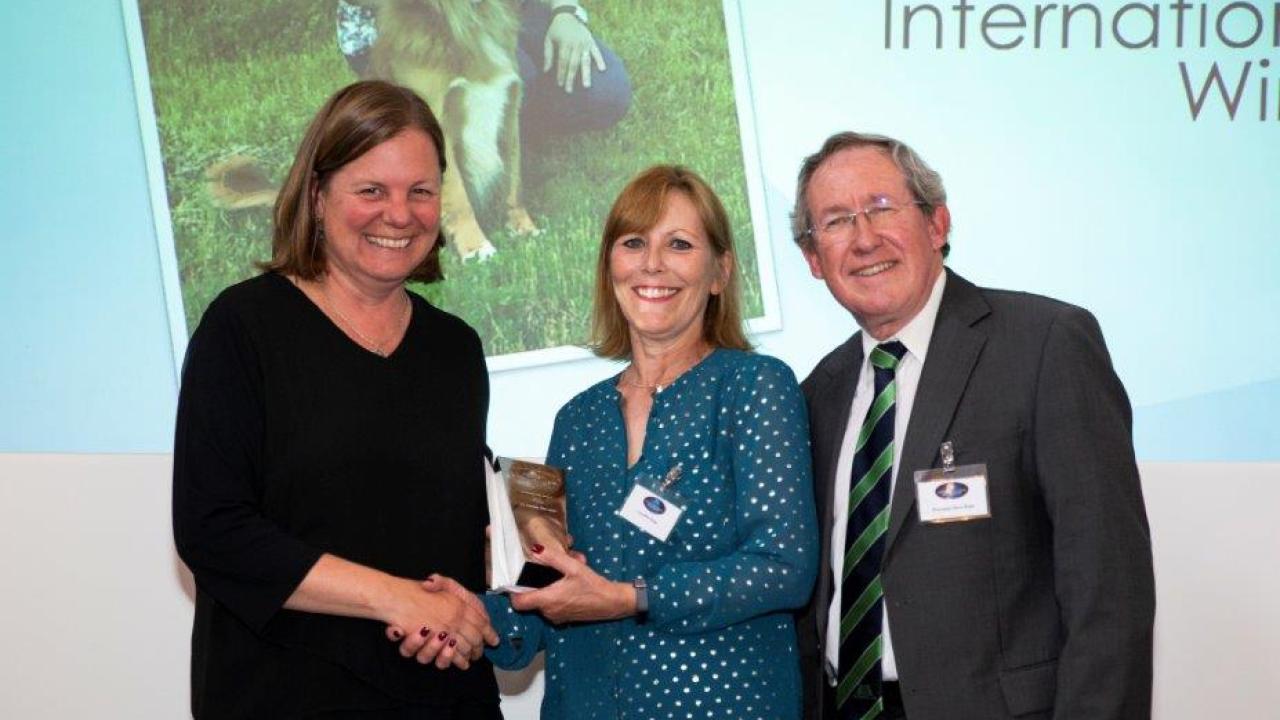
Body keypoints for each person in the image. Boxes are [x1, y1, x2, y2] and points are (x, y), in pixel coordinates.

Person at [790, 132, 1156, 719]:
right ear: (813, 260)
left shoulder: (1045, 345)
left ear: (937, 224)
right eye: (835, 222)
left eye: (882, 208)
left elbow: (1109, 590)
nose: (863, 239)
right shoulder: (818, 392)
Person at [172, 80, 502, 718]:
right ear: (318, 197)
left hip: (439, 696)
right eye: (371, 190)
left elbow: (450, 523)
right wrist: (394, 598)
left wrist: (471, 602)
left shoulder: (454, 348)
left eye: (422, 191)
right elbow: (213, 531)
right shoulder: (243, 328)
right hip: (282, 694)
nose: (400, 214)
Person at [478, 166, 818, 718]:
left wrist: (630, 597)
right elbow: (542, 608)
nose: (652, 264)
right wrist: (470, 612)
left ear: (719, 273)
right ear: (610, 266)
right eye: (633, 242)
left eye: (679, 244)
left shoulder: (755, 386)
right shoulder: (577, 419)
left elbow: (783, 568)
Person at [337, 0, 631, 140]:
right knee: (515, 78)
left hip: (494, 10)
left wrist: (566, 12)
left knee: (605, 92)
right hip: (404, 23)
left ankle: (502, 136)